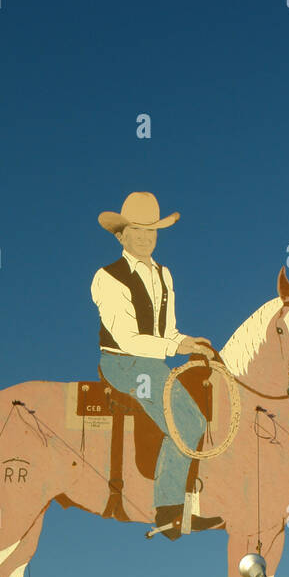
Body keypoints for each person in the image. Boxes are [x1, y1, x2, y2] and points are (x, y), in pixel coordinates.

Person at [91, 191, 221, 537]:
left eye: (153, 231)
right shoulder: (107, 277)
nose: (147, 238)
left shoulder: (164, 275)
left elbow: (168, 329)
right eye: (139, 230)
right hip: (124, 363)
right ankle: (167, 510)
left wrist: (186, 341)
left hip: (152, 358)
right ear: (121, 235)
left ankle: (192, 507)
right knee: (188, 421)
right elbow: (128, 339)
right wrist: (176, 346)